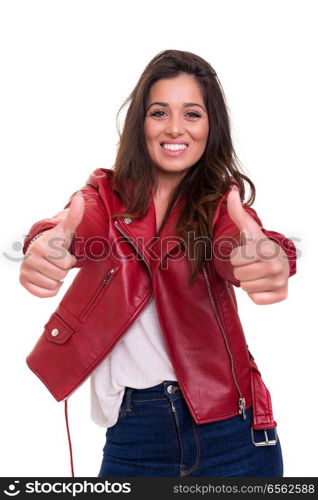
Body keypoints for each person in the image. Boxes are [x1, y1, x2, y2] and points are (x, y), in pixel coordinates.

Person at [20, 49, 297, 477]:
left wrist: (268, 257)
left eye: (192, 114)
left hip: (232, 431)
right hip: (135, 436)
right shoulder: (103, 195)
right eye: (159, 112)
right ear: (140, 124)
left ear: (211, 127)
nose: (174, 128)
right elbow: (77, 227)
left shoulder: (222, 204)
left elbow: (238, 243)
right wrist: (47, 244)